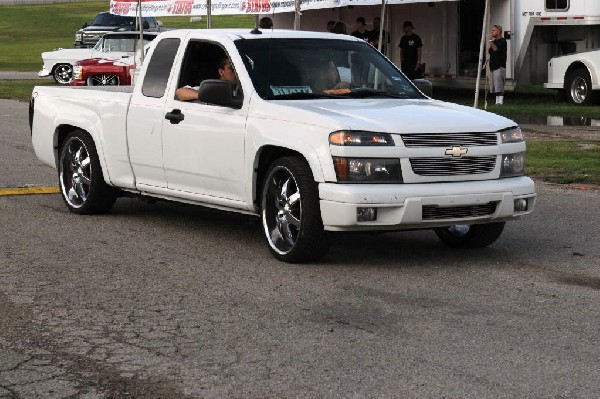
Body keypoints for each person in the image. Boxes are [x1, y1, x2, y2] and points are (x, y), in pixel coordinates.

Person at [488, 24, 507, 105]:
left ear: (498, 32)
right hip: (493, 66)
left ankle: (501, 101)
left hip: (499, 66)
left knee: (499, 84)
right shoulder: (495, 41)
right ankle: (497, 101)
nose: (492, 32)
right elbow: (490, 51)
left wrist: (490, 41)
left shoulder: (503, 41)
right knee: (495, 85)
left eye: (493, 30)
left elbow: (495, 49)